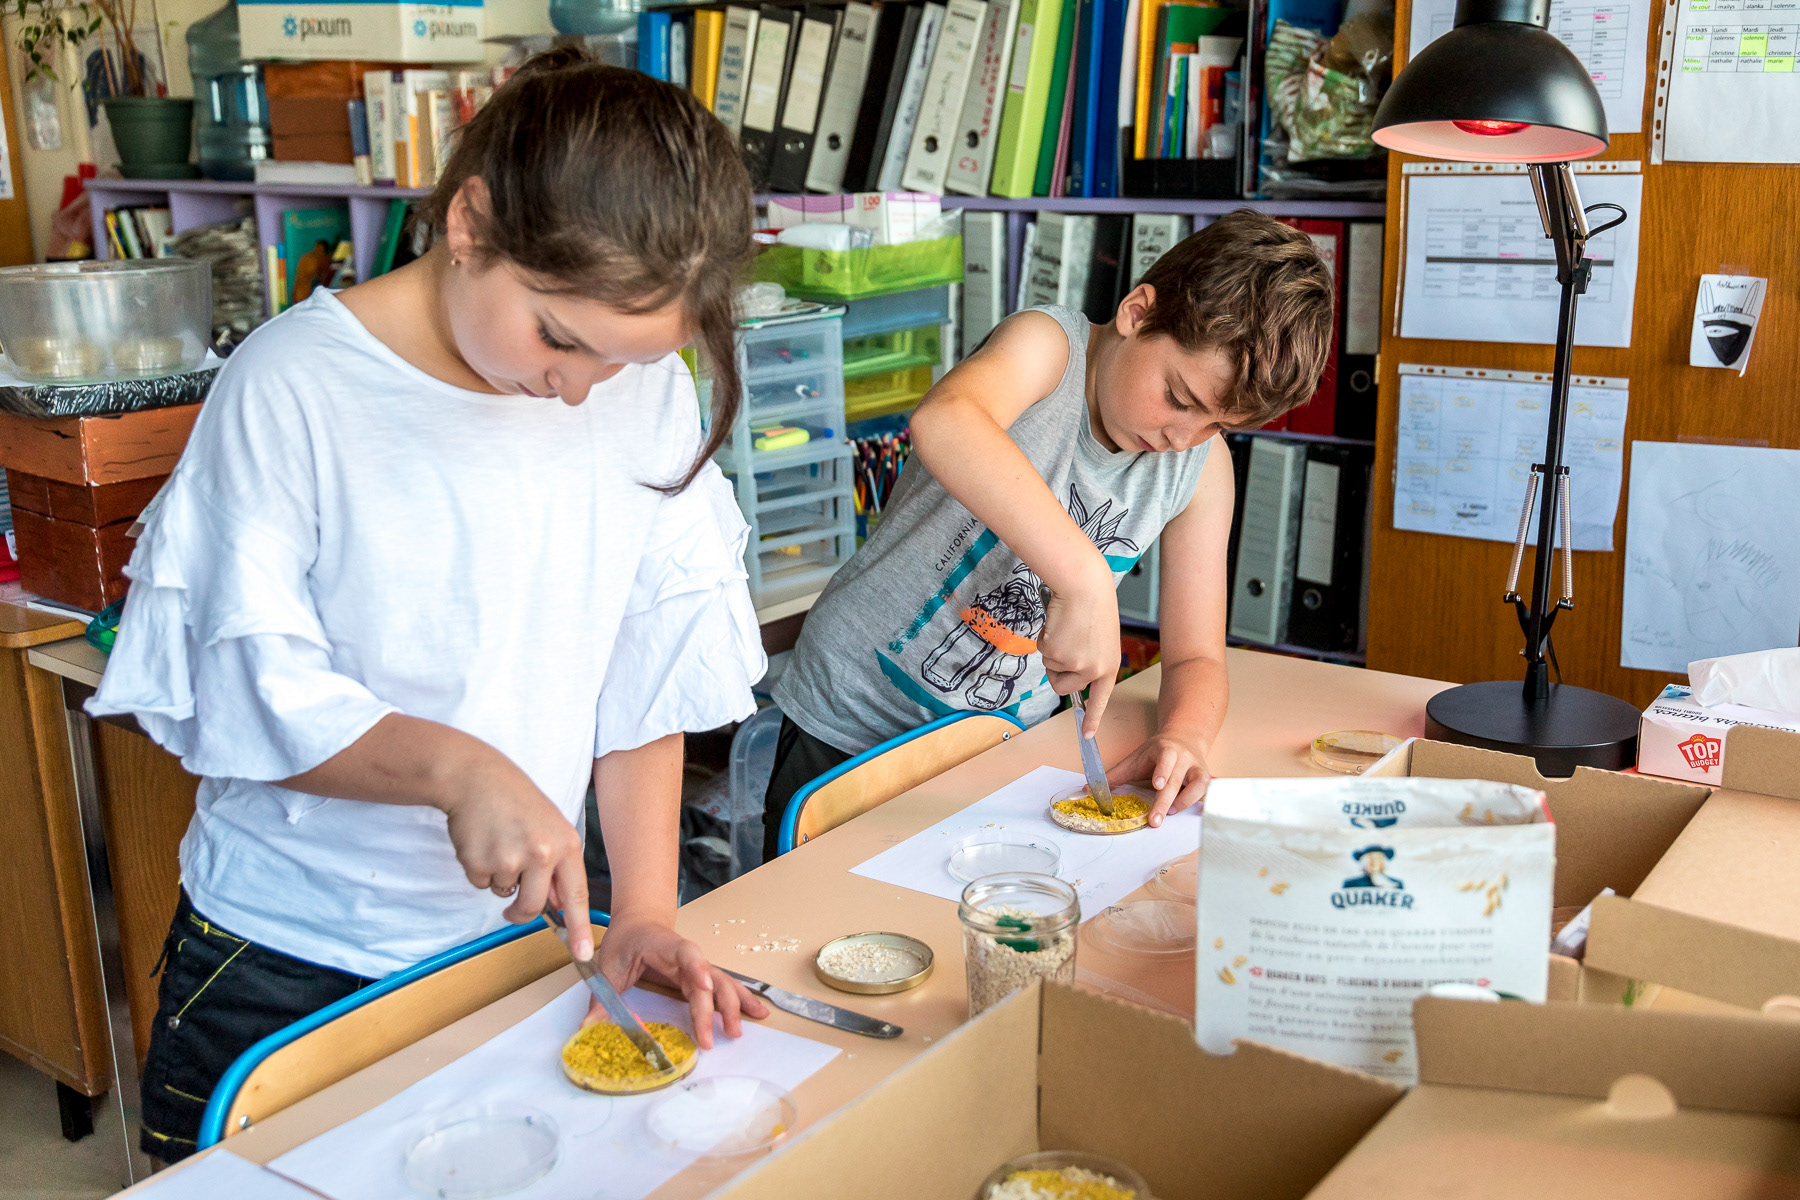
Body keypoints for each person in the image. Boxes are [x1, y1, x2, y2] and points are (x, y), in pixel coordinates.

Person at [88, 53, 770, 1162]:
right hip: (293, 962)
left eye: (625, 361)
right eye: (560, 339)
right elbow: (247, 693)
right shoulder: (296, 386)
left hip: (513, 951)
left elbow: (646, 662)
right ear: (470, 223)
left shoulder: (641, 387)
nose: (580, 390)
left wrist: (646, 909)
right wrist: (456, 769)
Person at [766, 211, 1334, 853]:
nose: (1183, 438)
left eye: (1217, 425)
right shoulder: (1047, 348)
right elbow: (945, 421)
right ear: (1137, 313)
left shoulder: (1201, 470)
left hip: (998, 750)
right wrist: (1085, 580)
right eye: (1180, 398)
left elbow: (1196, 658)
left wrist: (1184, 736)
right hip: (849, 719)